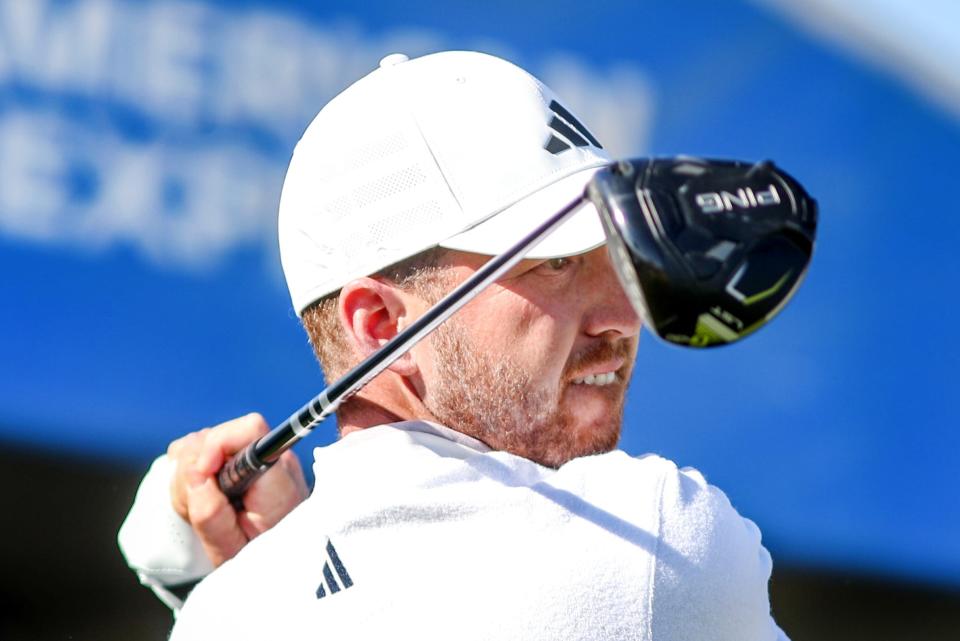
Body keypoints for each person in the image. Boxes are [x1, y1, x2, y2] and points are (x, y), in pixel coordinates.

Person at [118, 50, 789, 640]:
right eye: (553, 264)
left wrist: (211, 586)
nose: (622, 315)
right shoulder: (655, 539)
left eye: (613, 257)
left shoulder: (234, 614)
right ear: (381, 324)